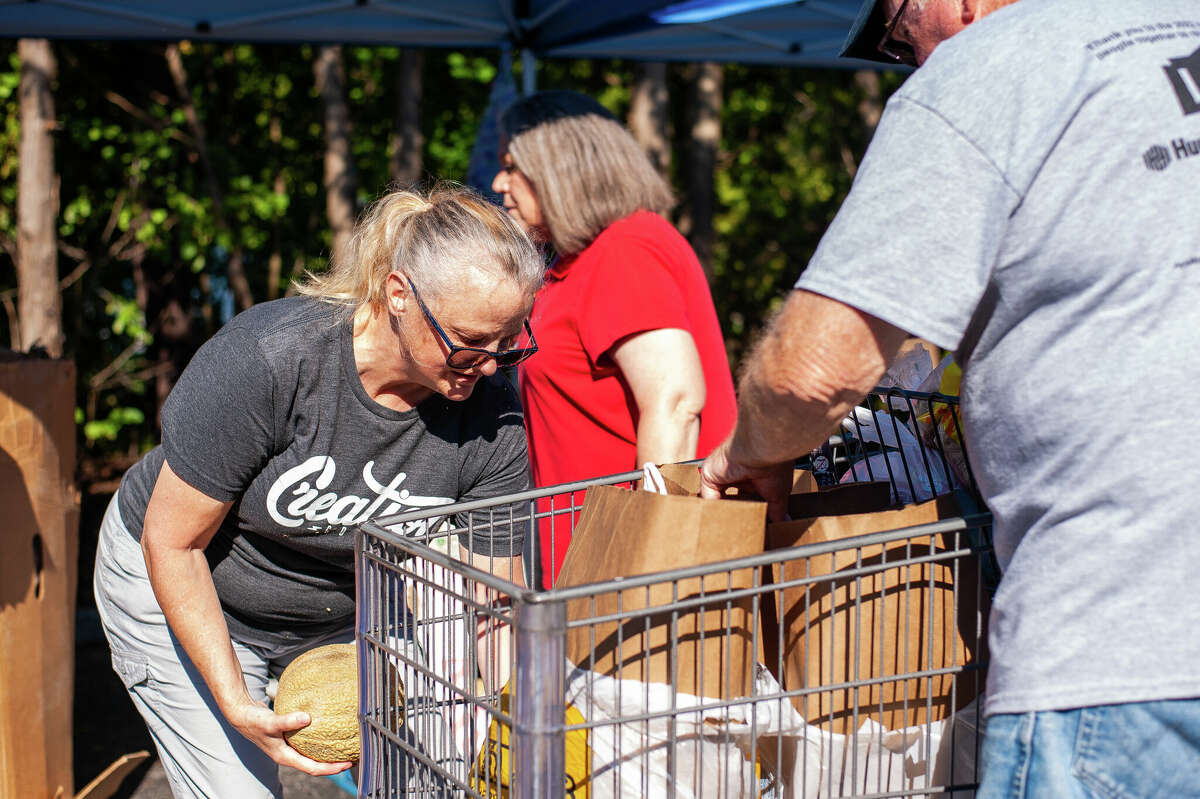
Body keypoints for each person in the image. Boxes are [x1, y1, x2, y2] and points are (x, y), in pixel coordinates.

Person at [700, 0, 1200, 796]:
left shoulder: (992, 64)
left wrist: (744, 451)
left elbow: (812, 370)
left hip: (1116, 646)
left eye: (901, 33)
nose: (913, 61)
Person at [93, 185, 544, 798]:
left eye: (510, 341)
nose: (491, 365)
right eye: (469, 340)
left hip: (341, 605)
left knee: (432, 782)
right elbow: (173, 543)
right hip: (184, 578)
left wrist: (515, 717)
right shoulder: (271, 361)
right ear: (398, 295)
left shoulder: (490, 413)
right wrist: (234, 700)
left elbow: (497, 601)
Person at [491, 90, 737, 586]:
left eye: (513, 166)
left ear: (561, 168)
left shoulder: (624, 248)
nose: (499, 183)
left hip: (632, 573)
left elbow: (676, 401)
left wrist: (649, 559)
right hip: (593, 564)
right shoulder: (578, 260)